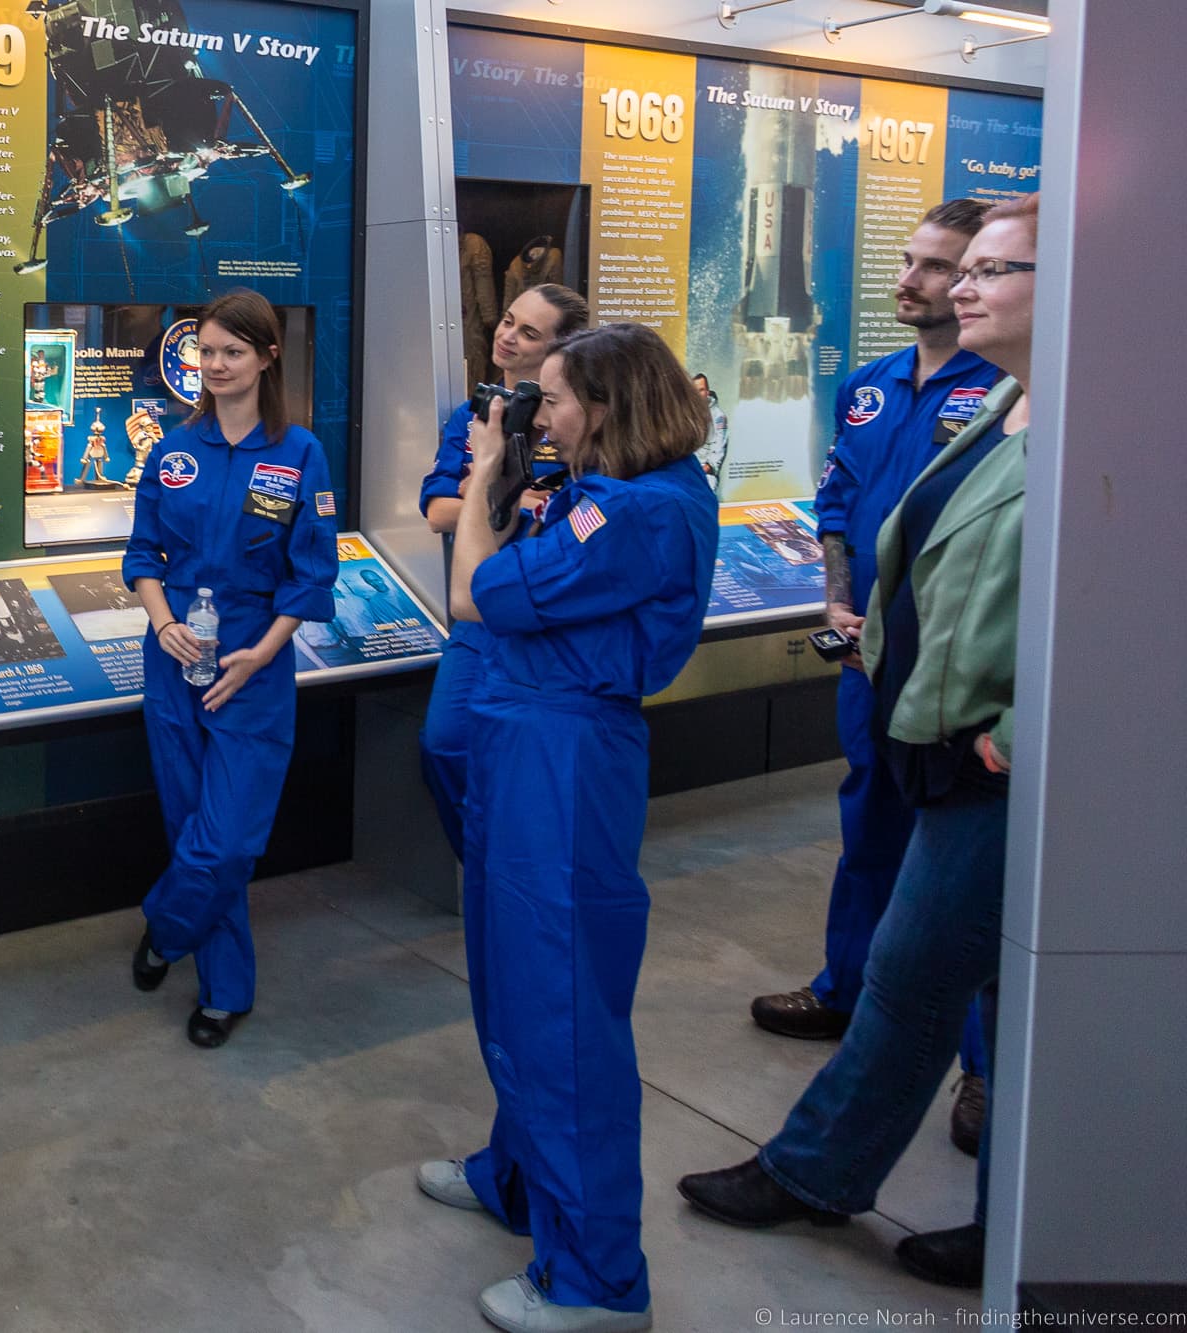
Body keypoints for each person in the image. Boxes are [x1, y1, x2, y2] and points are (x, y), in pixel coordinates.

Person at [678, 194, 1038, 1291]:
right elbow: (883, 528)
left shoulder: (1112, 417)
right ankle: (855, 1175)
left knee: (940, 972)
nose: (957, 285)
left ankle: (1010, 1213)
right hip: (919, 713)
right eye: (950, 266)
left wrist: (1020, 732)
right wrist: (867, 636)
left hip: (1002, 756)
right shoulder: (1009, 407)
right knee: (911, 962)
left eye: (987, 268)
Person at [436, 323, 716, 1333]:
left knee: (556, 1003)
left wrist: (477, 481)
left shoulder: (636, 512)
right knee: (512, 981)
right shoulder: (613, 494)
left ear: (601, 406)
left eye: (549, 398)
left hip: (561, 760)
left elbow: (473, 593)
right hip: (522, 739)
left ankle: (597, 1279)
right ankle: (514, 1178)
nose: (534, 414)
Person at [747, 199, 1004, 1154]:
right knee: (870, 828)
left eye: (939, 267)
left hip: (959, 665)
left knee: (964, 869)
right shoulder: (872, 384)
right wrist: (836, 602)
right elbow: (839, 504)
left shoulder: (1009, 397)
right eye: (911, 260)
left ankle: (982, 1069)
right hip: (871, 657)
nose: (914, 279)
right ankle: (845, 988)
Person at [122, 289, 336, 1049]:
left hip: (255, 665)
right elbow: (142, 554)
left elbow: (311, 574)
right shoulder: (173, 452)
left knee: (226, 843)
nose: (213, 365)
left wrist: (263, 652)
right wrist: (165, 622)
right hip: (174, 657)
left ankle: (165, 928)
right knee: (190, 829)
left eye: (231, 352)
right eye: (204, 352)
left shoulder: (300, 453)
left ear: (268, 357)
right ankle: (225, 991)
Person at [418, 283, 589, 861]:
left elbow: (585, 517)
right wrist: (506, 492)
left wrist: (490, 493)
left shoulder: (579, 424)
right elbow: (437, 511)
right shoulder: (474, 417)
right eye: (508, 320)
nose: (507, 335)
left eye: (528, 332)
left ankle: (523, 868)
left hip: (551, 615)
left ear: (562, 350)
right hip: (480, 612)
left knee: (531, 758)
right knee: (444, 745)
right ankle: (489, 863)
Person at [690, 374, 726, 491]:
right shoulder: (688, 414)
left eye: (701, 390)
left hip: (706, 473)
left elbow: (719, 449)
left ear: (707, 392)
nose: (698, 394)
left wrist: (703, 470)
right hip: (688, 469)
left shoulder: (718, 416)